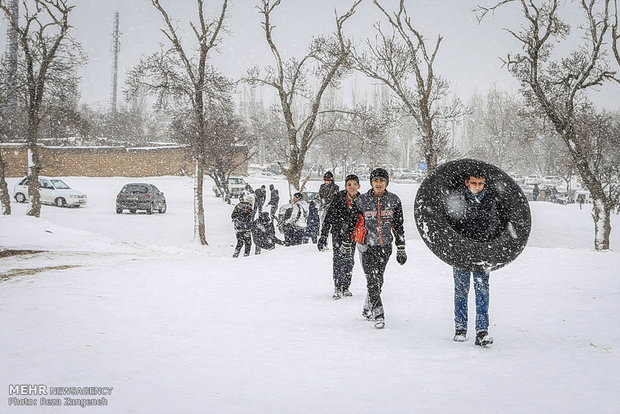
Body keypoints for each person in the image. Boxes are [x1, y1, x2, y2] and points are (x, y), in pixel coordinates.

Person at [344, 168, 406, 329]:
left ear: (386, 182)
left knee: (379, 280)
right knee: (372, 280)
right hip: (366, 245)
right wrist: (346, 242)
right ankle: (379, 314)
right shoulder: (362, 201)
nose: (379, 183)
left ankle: (367, 306)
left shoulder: (394, 200)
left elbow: (398, 225)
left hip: (385, 245)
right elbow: (352, 223)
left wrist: (401, 248)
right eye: (376, 180)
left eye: (382, 181)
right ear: (371, 182)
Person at [446, 170, 499, 346]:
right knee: (461, 291)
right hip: (460, 253)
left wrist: (482, 240)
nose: (477, 187)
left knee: (482, 292)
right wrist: (462, 242)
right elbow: (452, 222)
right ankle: (460, 328)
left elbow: (494, 223)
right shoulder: (458, 199)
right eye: (474, 183)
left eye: (481, 183)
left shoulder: (490, 200)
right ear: (467, 183)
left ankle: (482, 331)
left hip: (482, 253)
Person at [318, 174, 362, 300]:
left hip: (352, 235)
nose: (352, 187)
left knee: (349, 260)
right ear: (345, 186)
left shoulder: (361, 199)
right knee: (338, 259)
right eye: (349, 184)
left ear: (358, 186)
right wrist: (324, 235)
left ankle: (346, 286)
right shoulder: (338, 198)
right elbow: (329, 217)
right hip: (338, 233)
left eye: (354, 184)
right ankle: (337, 286)